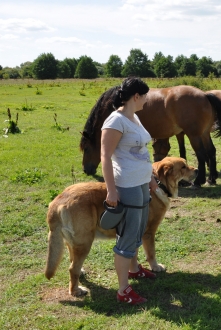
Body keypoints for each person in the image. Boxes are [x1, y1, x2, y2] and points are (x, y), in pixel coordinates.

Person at [100, 76, 159, 305]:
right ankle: (123, 289)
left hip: (142, 183)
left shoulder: (134, 117)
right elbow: (105, 157)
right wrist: (111, 191)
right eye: (145, 96)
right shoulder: (115, 121)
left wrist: (151, 178)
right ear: (136, 96)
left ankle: (134, 270)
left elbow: (143, 150)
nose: (146, 100)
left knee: (138, 230)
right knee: (127, 237)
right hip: (127, 185)